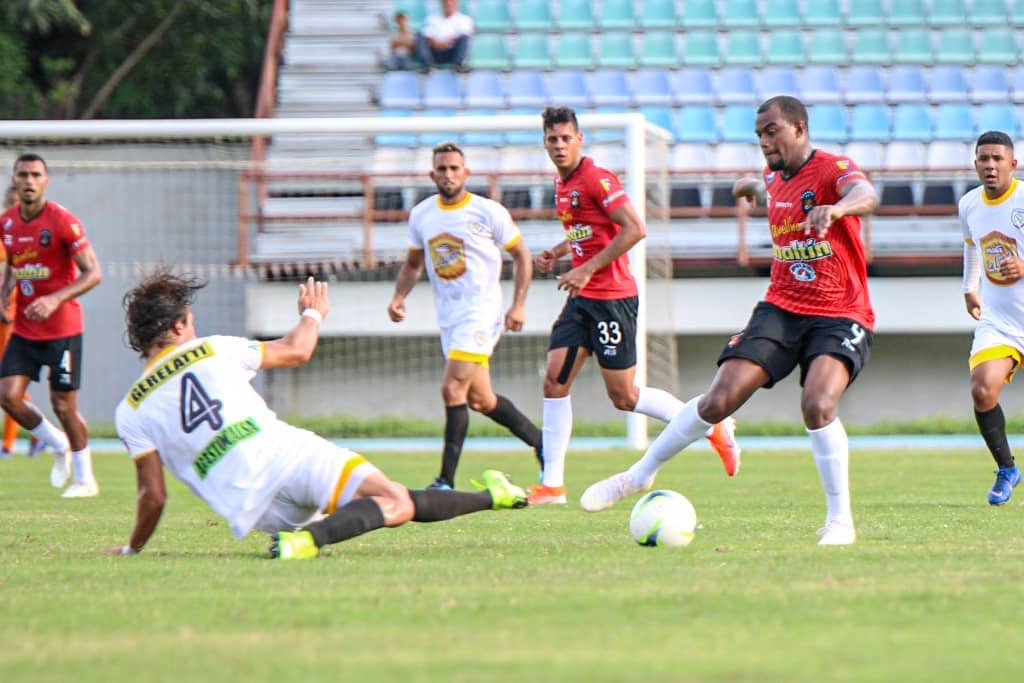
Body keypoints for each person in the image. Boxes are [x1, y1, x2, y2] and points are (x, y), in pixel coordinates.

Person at [580, 96, 879, 546]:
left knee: (817, 404)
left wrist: (837, 210)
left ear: (799, 128)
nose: (764, 141)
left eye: (772, 131)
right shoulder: (773, 175)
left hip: (841, 311)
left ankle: (840, 522)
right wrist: (751, 188)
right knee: (718, 400)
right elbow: (771, 189)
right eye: (759, 134)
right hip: (782, 306)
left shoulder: (833, 168)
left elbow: (866, 193)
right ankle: (638, 475)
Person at [110, 271, 528, 560]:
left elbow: (154, 497)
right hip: (289, 458)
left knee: (386, 498)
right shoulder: (212, 348)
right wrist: (313, 313)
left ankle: (495, 495)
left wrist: (133, 548)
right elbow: (297, 350)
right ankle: (310, 541)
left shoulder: (130, 410)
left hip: (258, 511)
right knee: (395, 501)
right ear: (181, 325)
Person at [528, 107, 741, 505]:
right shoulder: (563, 183)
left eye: (565, 138)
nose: (558, 146)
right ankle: (552, 485)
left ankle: (711, 425)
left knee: (623, 397)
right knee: (555, 381)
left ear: (579, 140)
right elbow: (589, 229)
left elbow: (634, 228)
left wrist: (586, 269)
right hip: (581, 301)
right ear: (545, 142)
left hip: (612, 300)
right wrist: (558, 251)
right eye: (552, 139)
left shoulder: (596, 178)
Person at [388, 142, 542, 489]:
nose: (448, 174)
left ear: (466, 173)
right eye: (442, 169)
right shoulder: (422, 215)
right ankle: (543, 444)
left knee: (452, 388)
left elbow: (522, 255)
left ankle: (444, 481)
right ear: (432, 174)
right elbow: (414, 264)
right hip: (450, 317)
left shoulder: (488, 212)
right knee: (481, 400)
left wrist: (518, 304)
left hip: (482, 313)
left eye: (454, 168)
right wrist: (399, 296)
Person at [0, 154, 102, 496]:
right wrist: (4, 295)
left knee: (63, 406)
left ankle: (85, 478)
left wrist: (56, 298)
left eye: (35, 175)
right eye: (23, 175)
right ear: (15, 180)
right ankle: (56, 443)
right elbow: (14, 264)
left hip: (63, 331)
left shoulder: (62, 222)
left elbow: (94, 273)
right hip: (26, 329)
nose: (28, 181)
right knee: (7, 396)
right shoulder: (8, 223)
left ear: (46, 180)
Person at [959, 130, 1024, 505]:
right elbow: (971, 246)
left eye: (998, 159)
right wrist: (970, 288)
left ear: (1012, 164)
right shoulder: (969, 204)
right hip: (1001, 320)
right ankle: (1007, 469)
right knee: (983, 388)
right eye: (984, 159)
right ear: (975, 164)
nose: (990, 165)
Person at [0, 184, 42, 459]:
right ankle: (40, 434)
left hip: (10, 317)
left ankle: (11, 443)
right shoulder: (5, 231)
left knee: (8, 381)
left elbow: (19, 274)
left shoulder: (29, 236)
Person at [414, 0, 473, 73]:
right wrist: (436, 43)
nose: (449, 4)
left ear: (456, 4)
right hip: (434, 52)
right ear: (442, 4)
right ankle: (427, 65)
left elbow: (464, 34)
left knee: (464, 38)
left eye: (451, 2)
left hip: (452, 53)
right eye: (446, 2)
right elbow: (427, 34)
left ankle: (458, 65)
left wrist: (445, 43)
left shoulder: (465, 19)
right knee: (420, 35)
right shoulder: (432, 18)